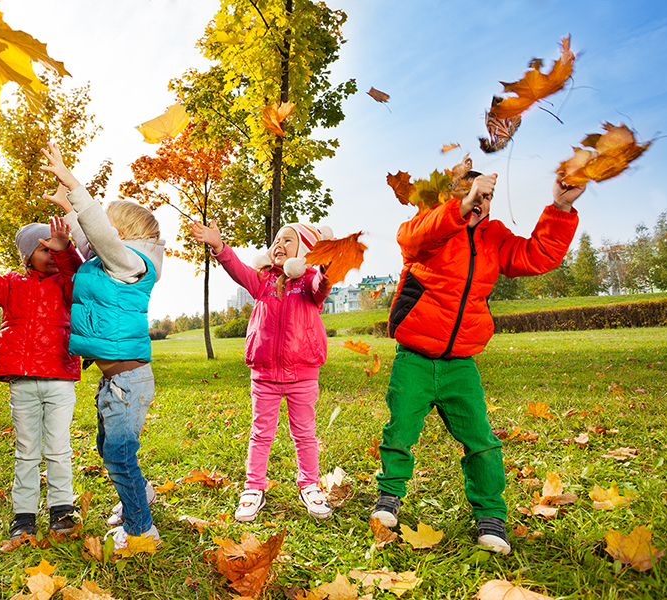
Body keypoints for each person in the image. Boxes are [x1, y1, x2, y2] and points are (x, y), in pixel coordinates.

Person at [372, 172, 585, 554]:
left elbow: (536, 256)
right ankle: (389, 497)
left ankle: (490, 515)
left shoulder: (494, 237)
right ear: (450, 199)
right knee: (400, 430)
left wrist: (561, 207)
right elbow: (411, 238)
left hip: (461, 364)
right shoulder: (429, 230)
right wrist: (459, 203)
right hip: (415, 358)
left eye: (485, 197)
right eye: (470, 195)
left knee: (482, 441)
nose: (479, 203)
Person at [40, 141, 165, 550]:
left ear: (122, 234)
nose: (95, 238)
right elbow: (88, 234)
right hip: (114, 382)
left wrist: (73, 184)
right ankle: (139, 494)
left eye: (106, 229)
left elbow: (98, 233)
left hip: (128, 381)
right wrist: (70, 211)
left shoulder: (131, 262)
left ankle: (140, 530)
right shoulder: (107, 262)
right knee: (109, 448)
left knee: (118, 454)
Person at [190, 219, 335, 522]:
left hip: (302, 372)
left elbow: (322, 287)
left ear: (303, 252)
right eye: (277, 240)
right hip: (265, 374)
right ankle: (254, 487)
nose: (279, 245)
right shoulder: (263, 281)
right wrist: (218, 245)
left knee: (305, 434)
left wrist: (326, 268)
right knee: (260, 433)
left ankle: (309, 484)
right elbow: (238, 270)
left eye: (288, 241)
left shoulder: (308, 282)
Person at [0, 206, 84, 540]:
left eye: (54, 247)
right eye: (44, 248)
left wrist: (66, 248)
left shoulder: (68, 285)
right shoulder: (12, 285)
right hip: (23, 381)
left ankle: (61, 508)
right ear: (28, 256)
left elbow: (77, 277)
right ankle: (24, 515)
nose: (51, 254)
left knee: (58, 448)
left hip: (59, 378)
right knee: (26, 450)